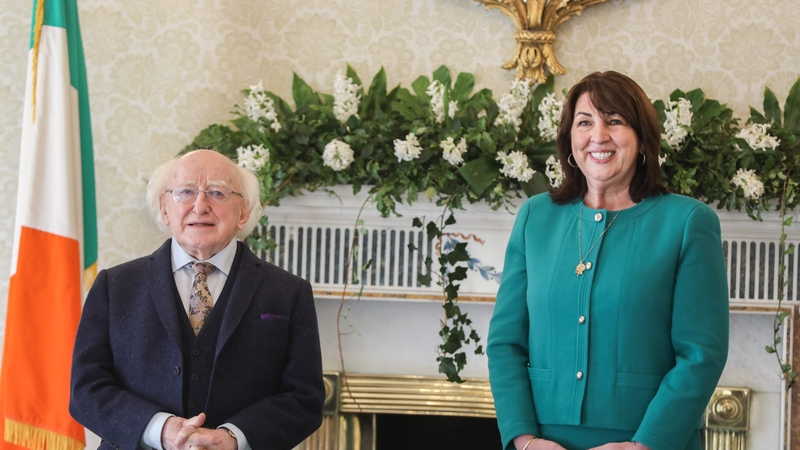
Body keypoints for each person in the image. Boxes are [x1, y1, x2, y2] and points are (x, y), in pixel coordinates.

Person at [486, 71, 729, 450]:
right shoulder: (535, 217)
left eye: (614, 121)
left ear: (642, 138)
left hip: (651, 440)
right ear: (570, 139)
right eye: (585, 122)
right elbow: (505, 343)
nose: (598, 136)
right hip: (543, 443)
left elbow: (701, 354)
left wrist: (644, 445)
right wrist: (524, 440)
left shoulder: (687, 222)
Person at [70, 149, 324, 450]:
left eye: (217, 193)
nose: (200, 206)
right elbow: (86, 389)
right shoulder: (114, 286)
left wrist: (233, 438)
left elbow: (304, 398)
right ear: (165, 208)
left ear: (243, 211)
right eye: (185, 192)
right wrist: (161, 430)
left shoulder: (289, 292)